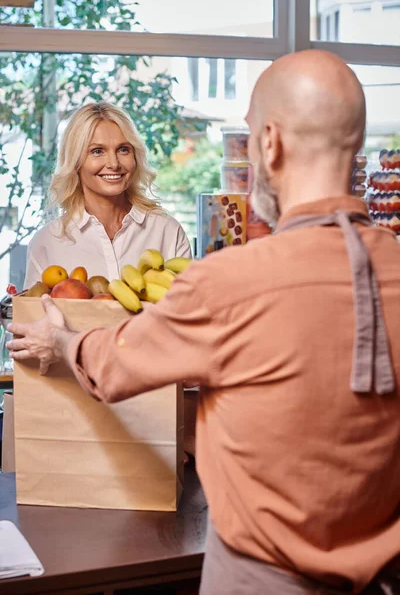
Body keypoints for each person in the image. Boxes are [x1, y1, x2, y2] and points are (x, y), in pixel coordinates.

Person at [8, 50, 400, 595]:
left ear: (269, 143)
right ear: (356, 143)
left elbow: (115, 365)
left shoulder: (227, 282)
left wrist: (63, 339)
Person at [23, 101, 191, 289]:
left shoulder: (167, 232)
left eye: (123, 149)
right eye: (97, 151)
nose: (114, 163)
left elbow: (188, 310)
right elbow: (33, 314)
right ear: (75, 161)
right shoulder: (47, 242)